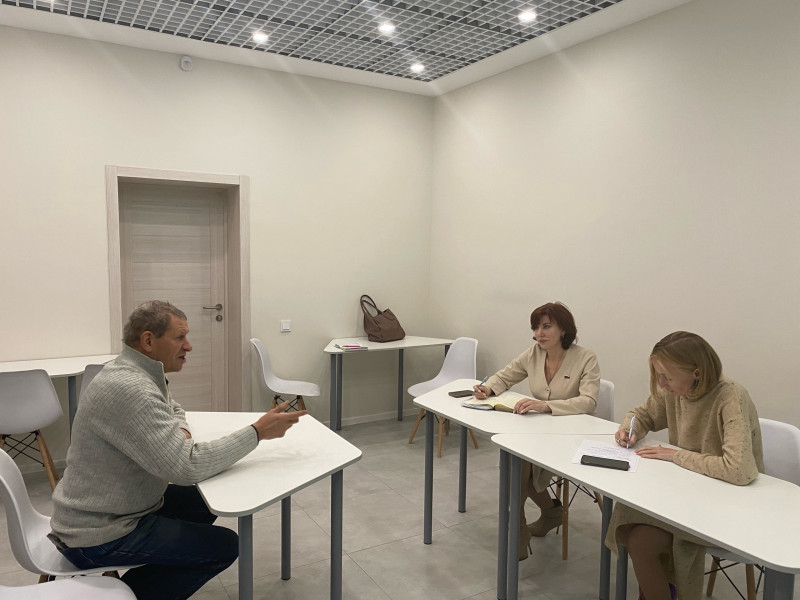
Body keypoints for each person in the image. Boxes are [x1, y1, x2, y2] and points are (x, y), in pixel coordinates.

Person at [49, 300, 306, 600]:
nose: (189, 346)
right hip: (97, 534)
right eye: (180, 337)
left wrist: (179, 431)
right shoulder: (131, 387)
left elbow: (174, 408)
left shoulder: (137, 371)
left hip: (121, 508)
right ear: (148, 341)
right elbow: (187, 467)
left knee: (205, 501)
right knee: (224, 546)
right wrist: (257, 432)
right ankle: (126, 595)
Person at [608, 331, 763, 600]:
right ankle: (663, 588)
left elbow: (738, 469)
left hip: (727, 503)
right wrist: (630, 430)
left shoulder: (730, 397)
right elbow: (642, 414)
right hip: (686, 494)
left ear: (697, 373)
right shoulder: (674, 391)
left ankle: (664, 588)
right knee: (632, 528)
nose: (661, 383)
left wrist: (675, 456)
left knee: (637, 534)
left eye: (666, 377)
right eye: (658, 375)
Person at [472, 301, 600, 560]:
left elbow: (589, 401)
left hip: (574, 435)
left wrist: (547, 406)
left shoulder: (586, 357)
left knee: (518, 462)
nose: (538, 334)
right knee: (515, 458)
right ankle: (532, 522)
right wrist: (488, 388)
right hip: (540, 432)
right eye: (536, 328)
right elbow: (505, 376)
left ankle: (525, 528)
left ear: (564, 329)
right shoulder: (533, 354)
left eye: (546, 327)